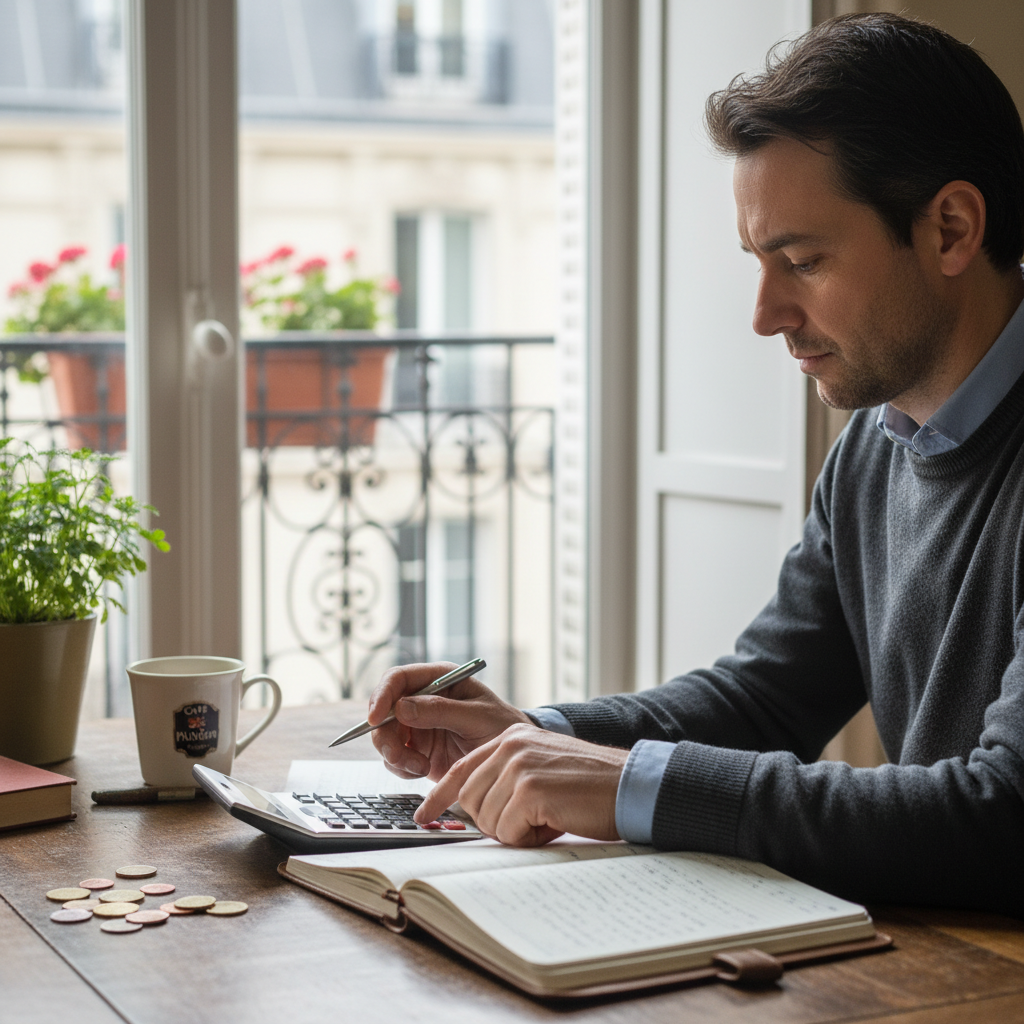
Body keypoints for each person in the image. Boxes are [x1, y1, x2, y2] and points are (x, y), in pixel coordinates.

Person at [368, 13, 1024, 914]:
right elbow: (764, 701)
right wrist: (532, 736)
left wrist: (632, 785)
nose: (764, 315)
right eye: (759, 262)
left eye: (803, 261)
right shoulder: (876, 447)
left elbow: (1004, 816)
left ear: (951, 229)